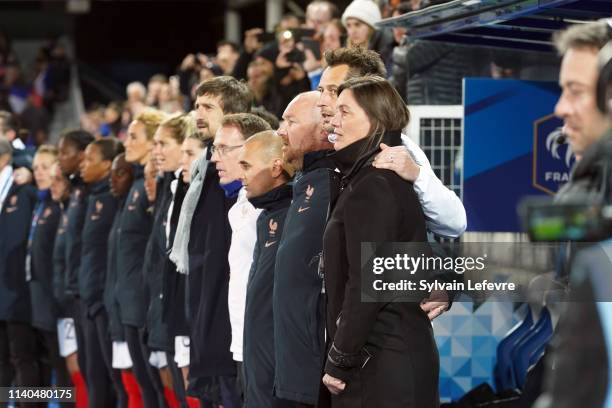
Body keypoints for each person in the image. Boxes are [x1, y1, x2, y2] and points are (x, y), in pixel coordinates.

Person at [321, 76, 438, 407]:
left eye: (345, 111)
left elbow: (367, 282)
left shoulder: (374, 185)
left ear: (375, 118)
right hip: (387, 356)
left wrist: (340, 358)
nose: (334, 119)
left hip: (381, 364)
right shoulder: (369, 179)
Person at [169, 76, 251, 407]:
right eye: (197, 106)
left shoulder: (241, 168)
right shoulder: (205, 162)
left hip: (230, 312)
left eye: (208, 107)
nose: (198, 114)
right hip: (205, 299)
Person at [209, 113, 272, 400]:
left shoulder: (269, 208)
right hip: (240, 339)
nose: (214, 158)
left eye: (224, 149)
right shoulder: (239, 206)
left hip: (263, 342)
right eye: (214, 148)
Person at [238, 131, 293, 408]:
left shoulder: (296, 215)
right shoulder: (267, 216)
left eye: (246, 165)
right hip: (257, 366)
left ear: (276, 165)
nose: (241, 175)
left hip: (279, 375)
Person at [116, 108, 167, 408]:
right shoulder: (135, 185)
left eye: (134, 137)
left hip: (147, 305)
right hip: (129, 303)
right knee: (144, 388)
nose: (127, 143)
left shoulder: (154, 184)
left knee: (159, 389)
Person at [79, 138, 125, 407]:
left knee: (115, 381)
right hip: (87, 298)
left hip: (103, 303)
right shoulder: (87, 194)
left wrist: (98, 298)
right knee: (92, 376)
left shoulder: (111, 198)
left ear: (107, 165)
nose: (83, 165)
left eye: (90, 159)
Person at [162, 129, 205, 407]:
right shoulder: (179, 193)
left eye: (190, 154)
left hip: (200, 313)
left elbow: (369, 285)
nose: (183, 161)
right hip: (180, 306)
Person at [27, 145, 72, 398]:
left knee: (67, 374)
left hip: (59, 306)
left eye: (45, 167)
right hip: (40, 305)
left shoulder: (58, 208)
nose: (39, 173)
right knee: (51, 367)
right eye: (36, 168)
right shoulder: (42, 204)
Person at [58, 129, 95, 400]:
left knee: (95, 373)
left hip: (89, 295)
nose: (60, 158)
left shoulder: (92, 192)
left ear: (82, 155)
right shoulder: (75, 192)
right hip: (71, 294)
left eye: (64, 152)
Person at [0, 136, 38, 401]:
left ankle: (32, 403)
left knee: (24, 357)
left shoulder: (24, 185)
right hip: (2, 290)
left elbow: (34, 157)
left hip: (18, 291)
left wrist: (29, 168)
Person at [50, 161, 88, 408]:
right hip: (57, 304)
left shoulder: (75, 208)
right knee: (65, 368)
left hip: (73, 301)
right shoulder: (60, 209)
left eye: (57, 179)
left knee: (77, 367)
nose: (53, 184)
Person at [105, 153, 139, 406]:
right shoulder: (119, 206)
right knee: (125, 388)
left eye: (120, 173)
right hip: (114, 307)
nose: (112, 180)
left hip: (134, 309)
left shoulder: (136, 200)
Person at [341, 0, 395, 73]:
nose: (352, 31)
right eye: (348, 25)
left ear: (371, 27)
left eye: (357, 24)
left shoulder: (387, 50)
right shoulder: (345, 52)